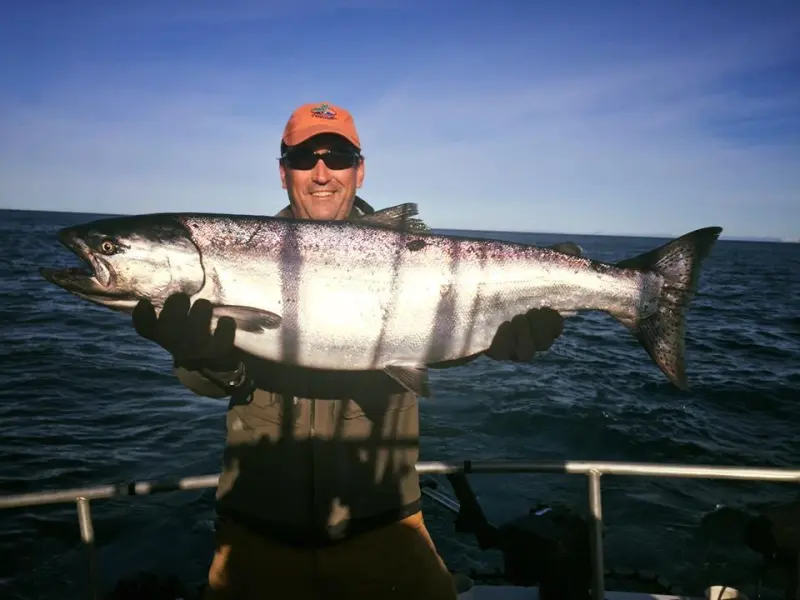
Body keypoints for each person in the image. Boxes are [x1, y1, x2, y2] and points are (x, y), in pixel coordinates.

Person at [131, 102, 567, 600]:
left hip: (385, 524)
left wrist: (497, 341)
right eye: (303, 159)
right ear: (282, 172)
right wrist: (203, 359)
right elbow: (219, 383)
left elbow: (438, 334)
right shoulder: (238, 255)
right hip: (256, 529)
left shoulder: (416, 258)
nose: (321, 174)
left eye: (337, 157)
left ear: (359, 170)